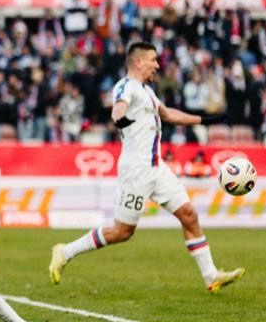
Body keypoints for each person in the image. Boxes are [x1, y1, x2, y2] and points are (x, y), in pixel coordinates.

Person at [50, 42, 244, 293]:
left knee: (189, 215)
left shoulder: (147, 91)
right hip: (136, 170)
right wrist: (119, 118)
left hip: (156, 167)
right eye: (153, 60)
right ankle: (65, 252)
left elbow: (169, 115)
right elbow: (119, 107)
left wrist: (206, 120)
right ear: (138, 62)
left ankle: (211, 276)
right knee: (122, 232)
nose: (157, 65)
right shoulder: (126, 86)